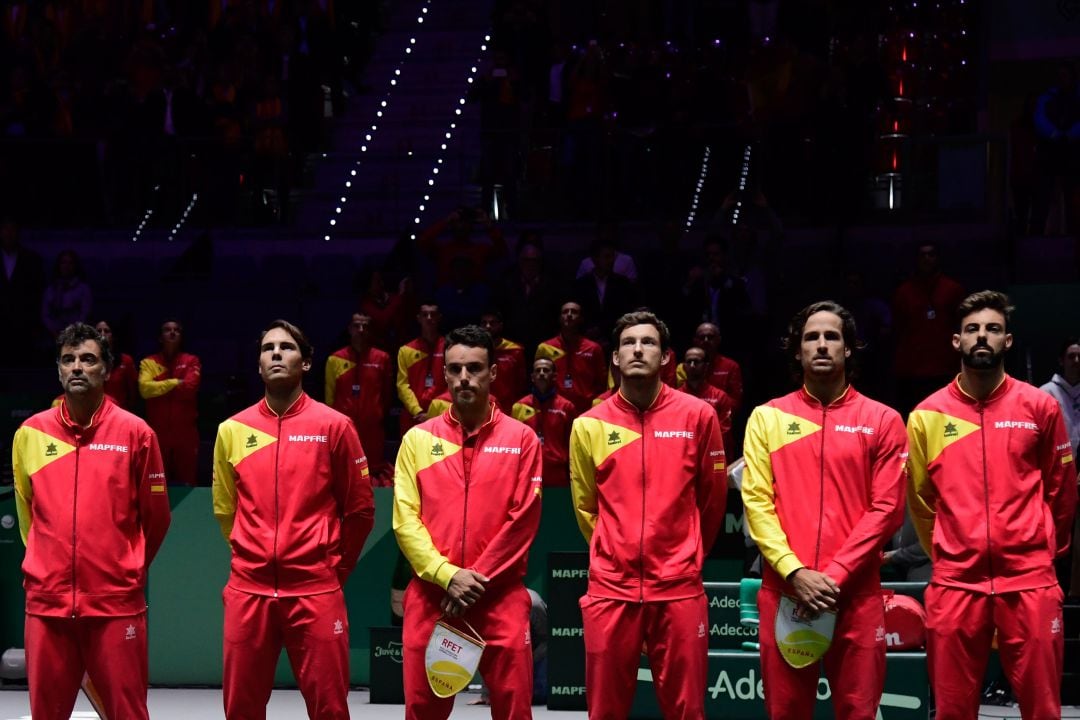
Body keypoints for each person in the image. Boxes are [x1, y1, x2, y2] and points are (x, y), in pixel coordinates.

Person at [907, 290, 1077, 720]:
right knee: (951, 710)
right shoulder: (927, 415)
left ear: (1008, 341)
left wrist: (1040, 553)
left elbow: (1061, 489)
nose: (982, 336)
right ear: (956, 341)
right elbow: (921, 501)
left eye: (993, 329)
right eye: (972, 330)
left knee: (1043, 710)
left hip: (1030, 582)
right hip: (955, 584)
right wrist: (949, 553)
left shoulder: (1040, 406)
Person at [741, 300, 907, 720]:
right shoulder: (767, 418)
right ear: (796, 350)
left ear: (849, 349)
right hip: (785, 592)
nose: (821, 345)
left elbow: (887, 508)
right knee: (787, 713)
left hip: (856, 596)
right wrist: (794, 571)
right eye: (810, 337)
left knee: (858, 712)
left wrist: (833, 577)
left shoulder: (883, 420)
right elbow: (757, 502)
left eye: (831, 336)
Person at [213, 319, 375, 719]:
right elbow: (224, 509)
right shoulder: (232, 430)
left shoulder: (335, 427)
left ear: (306, 363)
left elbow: (360, 509)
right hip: (248, 592)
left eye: (286, 347)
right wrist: (252, 556)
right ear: (258, 366)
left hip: (316, 589)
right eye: (268, 349)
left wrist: (337, 569)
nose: (276, 354)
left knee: (330, 709)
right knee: (240, 709)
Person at [568, 310, 727, 719]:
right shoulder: (589, 425)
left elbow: (711, 500)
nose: (638, 349)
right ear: (616, 359)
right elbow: (587, 506)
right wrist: (613, 552)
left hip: (678, 587)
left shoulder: (698, 416)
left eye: (649, 342)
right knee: (605, 711)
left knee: (687, 710)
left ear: (665, 356)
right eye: (628, 343)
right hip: (611, 589)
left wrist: (688, 555)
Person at [12, 322, 171, 719]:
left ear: (107, 370)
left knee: (127, 712)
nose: (77, 367)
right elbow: (26, 513)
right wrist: (48, 567)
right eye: (68, 360)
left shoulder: (137, 434)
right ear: (59, 370)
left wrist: (125, 568)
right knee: (46, 713)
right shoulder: (30, 433)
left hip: (115, 605)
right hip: (47, 607)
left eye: (88, 359)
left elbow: (156, 518)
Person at [393, 325, 542, 719]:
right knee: (422, 711)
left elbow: (522, 520)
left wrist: (471, 580)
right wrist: (446, 576)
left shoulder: (523, 439)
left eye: (474, 368)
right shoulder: (417, 440)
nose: (464, 378)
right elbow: (405, 520)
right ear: (443, 373)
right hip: (432, 598)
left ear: (493, 372)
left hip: (501, 599)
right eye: (455, 368)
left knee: (514, 710)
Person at [891, 242, 966, 417]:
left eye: (931, 254)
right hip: (912, 370)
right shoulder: (903, 292)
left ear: (938, 258)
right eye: (922, 255)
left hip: (945, 367)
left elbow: (961, 326)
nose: (926, 259)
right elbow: (898, 329)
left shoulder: (953, 289)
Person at [325, 312, 394, 484]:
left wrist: (377, 414)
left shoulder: (382, 358)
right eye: (357, 326)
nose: (361, 330)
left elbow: (387, 394)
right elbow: (329, 396)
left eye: (365, 326)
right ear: (349, 329)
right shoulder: (335, 359)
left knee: (374, 471)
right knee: (345, 469)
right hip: (345, 427)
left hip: (373, 427)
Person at [139, 319, 201, 486]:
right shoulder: (149, 362)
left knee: (188, 482)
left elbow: (190, 387)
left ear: (181, 337)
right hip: (158, 433)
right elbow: (144, 389)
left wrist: (158, 388)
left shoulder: (191, 360)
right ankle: (159, 513)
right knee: (157, 483)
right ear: (160, 337)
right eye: (167, 329)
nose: (172, 332)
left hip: (185, 433)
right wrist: (175, 383)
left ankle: (189, 512)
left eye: (177, 330)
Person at [512, 356, 577, 486]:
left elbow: (572, 445)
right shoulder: (519, 407)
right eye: (538, 370)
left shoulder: (567, 407)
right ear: (532, 377)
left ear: (554, 376)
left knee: (555, 507)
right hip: (528, 471)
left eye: (546, 370)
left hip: (557, 475)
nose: (541, 373)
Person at [535, 301, 606, 415]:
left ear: (581, 319)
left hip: (586, 410)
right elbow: (538, 381)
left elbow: (601, 384)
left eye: (574, 312)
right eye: (565, 312)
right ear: (559, 318)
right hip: (555, 410)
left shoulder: (593, 349)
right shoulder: (545, 348)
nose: (569, 314)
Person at [396, 302, 447, 435]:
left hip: (442, 414)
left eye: (433, 314)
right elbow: (402, 385)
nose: (429, 318)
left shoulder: (450, 347)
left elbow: (452, 382)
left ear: (439, 317)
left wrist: (433, 412)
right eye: (425, 315)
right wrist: (417, 411)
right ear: (419, 318)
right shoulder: (406, 350)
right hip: (413, 416)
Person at [678, 346, 735, 458]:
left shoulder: (720, 396)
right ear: (684, 366)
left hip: (712, 455)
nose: (692, 365)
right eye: (689, 362)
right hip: (683, 455)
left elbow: (724, 434)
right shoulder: (675, 396)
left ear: (706, 366)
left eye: (697, 362)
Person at [676, 322, 744, 410]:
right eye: (702, 337)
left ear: (718, 339)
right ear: (695, 340)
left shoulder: (731, 366)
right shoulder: (684, 367)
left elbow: (735, 402)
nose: (706, 340)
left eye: (710, 337)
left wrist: (711, 406)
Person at [481, 310, 526, 413]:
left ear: (500, 325)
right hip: (482, 406)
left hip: (508, 408)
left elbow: (521, 384)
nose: (488, 326)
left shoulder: (515, 350)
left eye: (492, 323)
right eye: (484, 323)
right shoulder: (476, 350)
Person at [41, 249, 93, 338]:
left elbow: (85, 314)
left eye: (70, 263)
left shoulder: (83, 289)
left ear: (75, 266)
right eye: (63, 262)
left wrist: (72, 333)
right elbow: (45, 314)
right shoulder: (50, 289)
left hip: (77, 335)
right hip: (53, 335)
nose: (66, 266)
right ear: (58, 265)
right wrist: (54, 331)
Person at [95, 319, 138, 410]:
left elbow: (133, 394)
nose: (102, 334)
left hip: (120, 414)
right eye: (98, 331)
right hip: (94, 414)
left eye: (106, 331)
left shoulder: (126, 361)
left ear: (113, 336)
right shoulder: (86, 360)